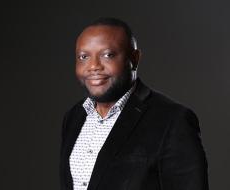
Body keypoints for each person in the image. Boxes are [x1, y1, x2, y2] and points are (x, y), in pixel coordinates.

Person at [60, 17, 209, 190]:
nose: (93, 66)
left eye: (107, 55)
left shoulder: (172, 120)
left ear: (135, 58)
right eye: (83, 56)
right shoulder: (73, 117)